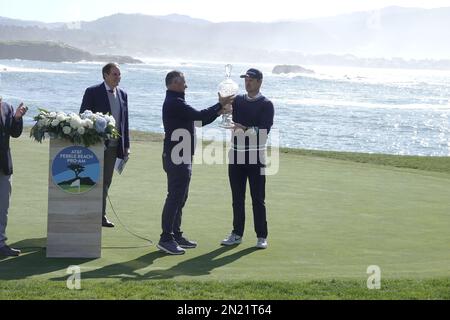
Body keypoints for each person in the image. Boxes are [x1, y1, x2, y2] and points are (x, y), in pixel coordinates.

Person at [158, 70, 234, 255]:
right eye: (184, 82)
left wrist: (219, 110)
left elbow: (199, 121)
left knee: (181, 197)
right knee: (175, 197)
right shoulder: (175, 103)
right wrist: (220, 104)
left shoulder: (178, 102)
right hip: (177, 158)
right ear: (174, 83)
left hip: (181, 157)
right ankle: (166, 238)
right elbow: (199, 116)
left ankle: (175, 234)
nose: (186, 85)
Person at [221, 68, 274, 249]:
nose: (247, 82)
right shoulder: (239, 101)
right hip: (236, 156)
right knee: (237, 198)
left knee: (258, 198)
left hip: (255, 158)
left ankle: (261, 236)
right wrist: (223, 106)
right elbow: (227, 116)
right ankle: (237, 234)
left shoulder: (266, 104)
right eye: (246, 79)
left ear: (259, 82)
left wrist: (245, 129)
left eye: (251, 79)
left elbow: (264, 132)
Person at [80, 63, 130, 228]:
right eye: (115, 74)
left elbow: (125, 122)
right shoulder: (92, 92)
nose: (118, 77)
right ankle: (86, 213)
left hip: (114, 147)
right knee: (91, 179)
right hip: (95, 145)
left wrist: (126, 146)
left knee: (106, 181)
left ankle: (100, 216)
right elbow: (83, 117)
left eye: (119, 74)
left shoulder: (123, 94)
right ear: (105, 75)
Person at [0, 97, 27, 256]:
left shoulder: (7, 107)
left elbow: (15, 133)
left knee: (3, 208)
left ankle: (0, 244)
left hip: (4, 166)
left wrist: (17, 118)